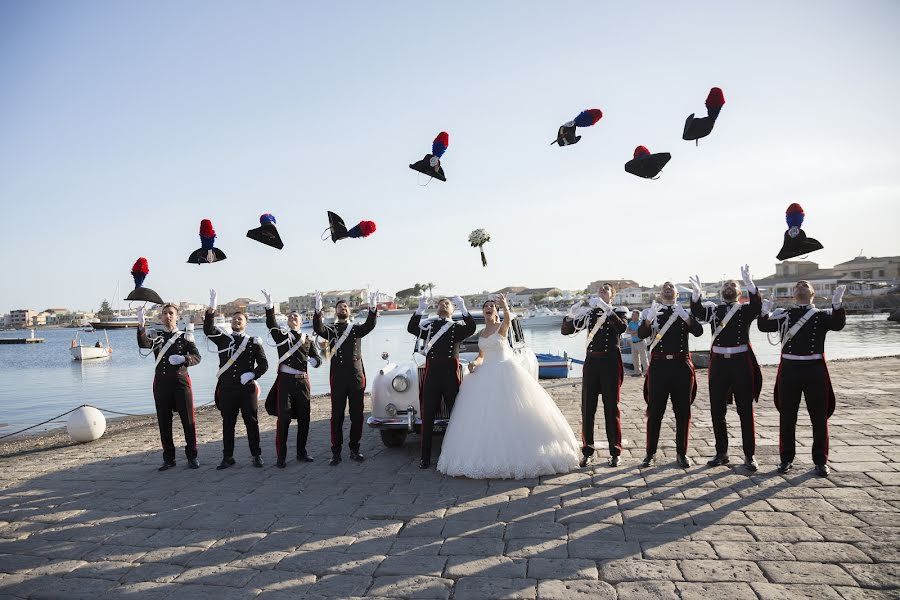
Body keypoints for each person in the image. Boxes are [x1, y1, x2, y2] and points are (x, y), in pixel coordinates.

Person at [438, 294, 580, 478]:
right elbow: (482, 356)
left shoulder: (502, 327)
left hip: (505, 371)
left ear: (495, 311)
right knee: (483, 417)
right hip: (484, 373)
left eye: (491, 306)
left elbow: (507, 319)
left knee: (512, 412)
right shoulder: (481, 333)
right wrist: (475, 363)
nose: (488, 308)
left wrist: (504, 305)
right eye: (486, 306)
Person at [758, 281, 846, 477]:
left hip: (814, 369)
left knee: (819, 417)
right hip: (789, 369)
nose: (800, 287)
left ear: (812, 293)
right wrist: (764, 311)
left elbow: (838, 325)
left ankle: (820, 461)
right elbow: (764, 327)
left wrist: (837, 305)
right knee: (787, 416)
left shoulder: (821, 315)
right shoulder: (785, 314)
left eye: (805, 285)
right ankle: (786, 458)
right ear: (792, 294)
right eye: (797, 286)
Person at [689, 266, 763, 471]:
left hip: (741, 362)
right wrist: (696, 295)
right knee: (717, 410)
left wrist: (751, 285)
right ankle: (722, 452)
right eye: (726, 285)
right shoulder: (714, 310)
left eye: (733, 285)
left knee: (745, 410)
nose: (729, 287)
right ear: (722, 291)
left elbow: (757, 307)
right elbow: (697, 311)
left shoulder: (745, 309)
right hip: (720, 363)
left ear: (739, 292)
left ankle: (749, 455)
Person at [637, 281, 704, 468]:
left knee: (683, 412)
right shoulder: (652, 312)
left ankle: (681, 453)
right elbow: (641, 334)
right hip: (659, 366)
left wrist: (687, 318)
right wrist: (648, 320)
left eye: (671, 287)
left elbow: (698, 332)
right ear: (660, 293)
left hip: (681, 366)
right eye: (665, 287)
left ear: (676, 293)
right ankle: (650, 454)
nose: (668, 288)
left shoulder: (684, 313)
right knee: (655, 412)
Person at [560, 283, 627, 468]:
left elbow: (622, 329)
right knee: (588, 409)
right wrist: (571, 315)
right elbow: (566, 331)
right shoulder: (589, 315)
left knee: (611, 409)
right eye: (600, 290)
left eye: (606, 289)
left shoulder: (617, 312)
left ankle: (615, 452)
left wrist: (607, 309)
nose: (602, 291)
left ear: (612, 295)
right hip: (592, 363)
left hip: (611, 363)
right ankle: (587, 452)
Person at [407, 294, 476, 469]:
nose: (443, 305)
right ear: (436, 309)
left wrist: (463, 307)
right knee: (427, 417)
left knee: (456, 416)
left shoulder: (457, 328)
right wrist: (420, 309)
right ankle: (425, 457)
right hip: (431, 377)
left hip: (450, 377)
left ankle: (459, 453)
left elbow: (472, 327)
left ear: (453, 309)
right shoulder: (430, 327)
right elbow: (411, 328)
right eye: (440, 304)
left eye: (447, 303)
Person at [204, 289, 269, 470]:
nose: (236, 321)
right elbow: (208, 329)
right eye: (234, 319)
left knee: (252, 422)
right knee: (228, 423)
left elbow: (264, 365)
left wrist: (253, 375)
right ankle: (228, 457)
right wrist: (211, 309)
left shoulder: (253, 342)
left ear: (246, 324)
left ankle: (256, 455)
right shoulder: (223, 340)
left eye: (240, 319)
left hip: (246, 388)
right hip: (227, 388)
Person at [314, 291, 378, 466]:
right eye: (340, 306)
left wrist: (373, 309)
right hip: (338, 377)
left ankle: (355, 448)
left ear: (349, 311)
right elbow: (318, 329)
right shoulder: (331, 330)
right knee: (337, 416)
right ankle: (336, 452)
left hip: (356, 376)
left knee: (357, 415)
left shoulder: (356, 328)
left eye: (345, 306)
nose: (343, 308)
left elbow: (370, 325)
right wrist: (317, 311)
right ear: (335, 311)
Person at [261, 289, 322, 468]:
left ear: (301, 322)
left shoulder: (307, 338)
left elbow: (317, 358)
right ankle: (281, 457)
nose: (293, 318)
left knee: (305, 418)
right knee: (284, 419)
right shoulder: (281, 336)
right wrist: (270, 307)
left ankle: (302, 453)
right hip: (285, 382)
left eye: (296, 316)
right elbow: (271, 323)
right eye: (290, 316)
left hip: (302, 382)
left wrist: (314, 361)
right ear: (287, 321)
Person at [137, 303, 201, 471]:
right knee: (164, 422)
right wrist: (141, 325)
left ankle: (192, 456)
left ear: (177, 317)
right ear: (161, 317)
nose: (168, 316)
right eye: (164, 313)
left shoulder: (185, 337)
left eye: (171, 313)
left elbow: (197, 357)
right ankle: (169, 458)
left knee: (188, 420)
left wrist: (184, 359)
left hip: (180, 381)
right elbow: (143, 344)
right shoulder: (155, 335)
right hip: (162, 383)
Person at [628, 310, 649, 377]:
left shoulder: (641, 322)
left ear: (637, 316)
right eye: (632, 315)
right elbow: (627, 331)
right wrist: (634, 332)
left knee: (643, 358)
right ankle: (637, 372)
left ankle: (647, 372)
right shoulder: (631, 323)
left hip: (641, 342)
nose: (632, 316)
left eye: (633, 315)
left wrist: (633, 332)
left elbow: (641, 332)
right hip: (633, 342)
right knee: (635, 359)